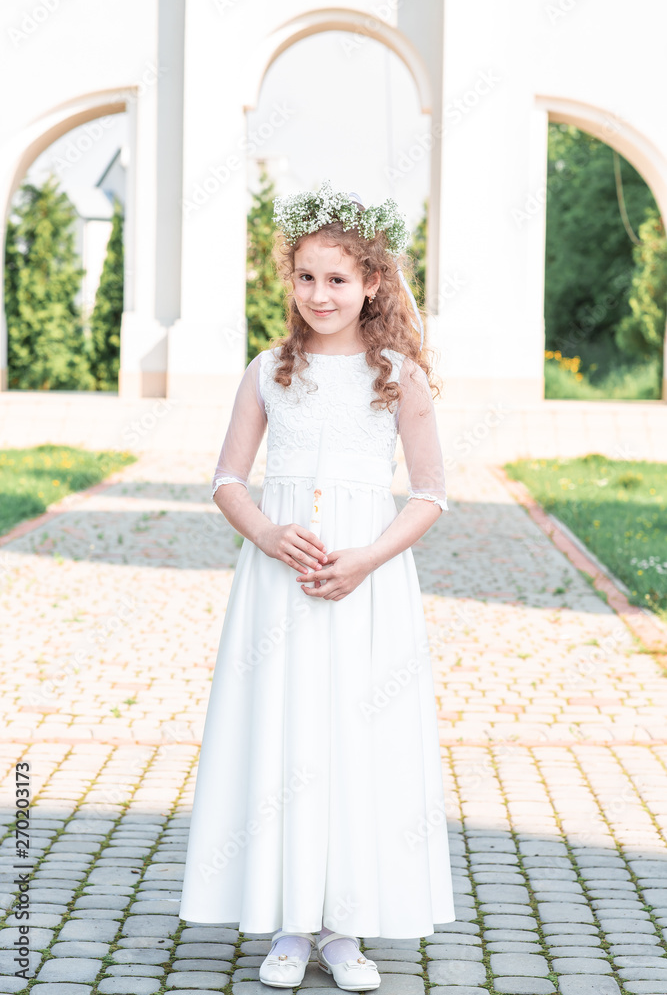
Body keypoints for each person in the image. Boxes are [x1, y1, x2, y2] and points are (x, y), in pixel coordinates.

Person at [179, 181, 456, 992]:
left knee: (352, 738)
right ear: (288, 280)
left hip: (367, 587)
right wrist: (266, 531)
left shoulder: (397, 374)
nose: (319, 294)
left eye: (337, 279)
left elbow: (432, 491)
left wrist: (368, 557)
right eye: (305, 277)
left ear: (372, 282)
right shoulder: (267, 370)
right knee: (284, 734)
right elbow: (229, 477)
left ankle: (345, 927)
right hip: (279, 584)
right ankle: (288, 923)